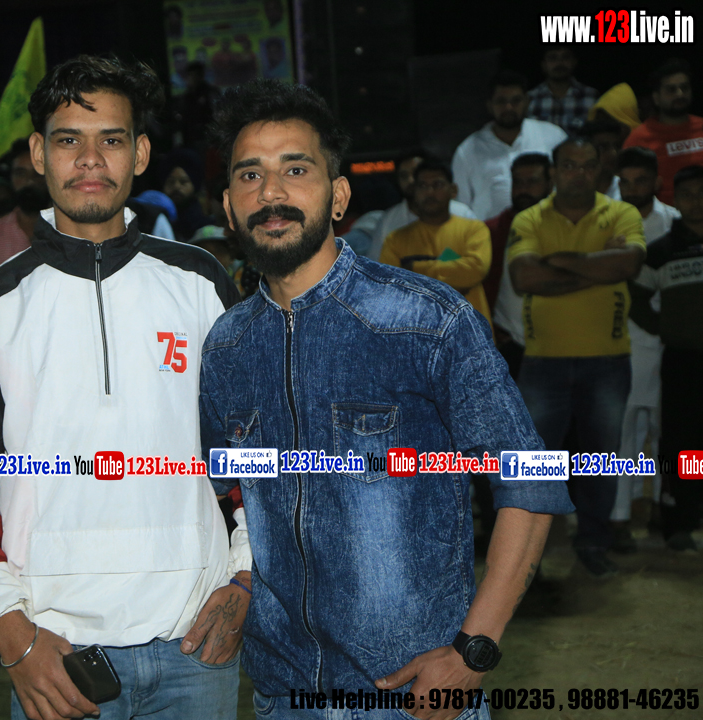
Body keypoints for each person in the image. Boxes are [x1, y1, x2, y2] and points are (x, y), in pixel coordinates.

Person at [201, 78, 572, 719]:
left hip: (411, 697)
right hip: (283, 695)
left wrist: (473, 650)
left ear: (339, 196)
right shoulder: (227, 346)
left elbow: (531, 482)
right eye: (250, 175)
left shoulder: (424, 320)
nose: (272, 193)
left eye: (296, 169)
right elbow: (228, 494)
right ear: (230, 209)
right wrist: (239, 581)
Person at [0, 55, 244, 720]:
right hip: (55, 651)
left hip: (196, 645)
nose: (90, 159)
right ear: (38, 153)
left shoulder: (202, 285)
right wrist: (11, 634)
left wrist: (245, 579)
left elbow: (257, 457)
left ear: (141, 153)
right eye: (69, 139)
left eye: (112, 139)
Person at [507, 138, 646, 578]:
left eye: (588, 166)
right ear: (554, 171)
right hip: (543, 361)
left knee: (599, 461)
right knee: (534, 464)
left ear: (600, 170)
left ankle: (593, 543)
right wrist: (597, 267)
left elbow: (628, 265)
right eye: (569, 165)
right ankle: (528, 554)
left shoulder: (622, 213)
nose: (578, 174)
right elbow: (524, 277)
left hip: (607, 361)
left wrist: (563, 260)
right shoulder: (530, 218)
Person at [609, 147, 680, 553]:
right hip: (623, 342)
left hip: (670, 344)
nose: (633, 189)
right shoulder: (608, 219)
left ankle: (663, 509)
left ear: (657, 182)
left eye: (641, 181)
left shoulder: (675, 222)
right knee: (623, 438)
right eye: (626, 182)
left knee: (666, 435)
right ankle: (619, 516)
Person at [629, 165, 703, 552]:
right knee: (684, 443)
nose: (696, 201)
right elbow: (635, 298)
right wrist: (665, 328)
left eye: (701, 193)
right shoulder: (661, 251)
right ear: (676, 199)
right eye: (687, 195)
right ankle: (680, 520)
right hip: (682, 360)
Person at [380, 159, 493, 323]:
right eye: (422, 186)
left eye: (437, 185)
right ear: (414, 191)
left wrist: (414, 269)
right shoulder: (395, 240)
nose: (430, 192)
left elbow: (476, 270)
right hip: (418, 332)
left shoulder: (474, 230)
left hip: (470, 330)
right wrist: (454, 278)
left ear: (453, 190)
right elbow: (389, 290)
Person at [452, 70, 567, 221]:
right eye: (501, 101)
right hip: (488, 233)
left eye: (516, 101)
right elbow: (460, 208)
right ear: (489, 105)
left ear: (527, 102)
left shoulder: (553, 137)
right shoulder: (467, 151)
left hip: (550, 228)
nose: (508, 108)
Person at [485, 153, 555, 380]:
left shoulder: (567, 227)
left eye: (532, 181)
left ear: (550, 184)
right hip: (508, 346)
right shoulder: (491, 231)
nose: (523, 189)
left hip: (559, 344)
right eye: (518, 182)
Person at [367, 148, 479, 262]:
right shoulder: (388, 222)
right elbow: (375, 266)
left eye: (415, 173)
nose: (410, 180)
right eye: (404, 176)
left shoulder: (463, 214)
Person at [0, 139, 51, 283]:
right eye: (20, 173)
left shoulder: (73, 231)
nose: (29, 181)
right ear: (10, 178)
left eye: (37, 173)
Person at [624, 59, 703, 205]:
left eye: (684, 88)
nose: (680, 94)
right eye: (671, 90)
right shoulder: (639, 139)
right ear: (656, 98)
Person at [527, 45, 598, 134]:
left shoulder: (591, 97)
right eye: (553, 58)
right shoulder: (530, 98)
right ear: (543, 65)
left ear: (574, 62)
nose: (559, 63)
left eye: (565, 57)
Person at [582, 118, 625, 199]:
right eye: (603, 147)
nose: (613, 153)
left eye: (617, 146)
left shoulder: (626, 191)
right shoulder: (570, 189)